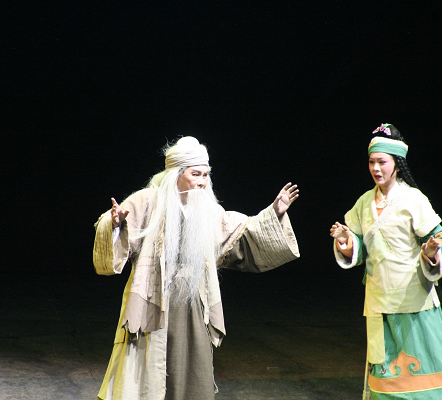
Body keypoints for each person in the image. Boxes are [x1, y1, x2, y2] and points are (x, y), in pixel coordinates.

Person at [93, 136, 300, 400]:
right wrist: (114, 225)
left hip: (193, 305)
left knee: (192, 370)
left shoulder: (208, 211)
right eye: (196, 174)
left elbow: (241, 235)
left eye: (206, 175)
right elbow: (117, 237)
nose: (203, 181)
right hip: (153, 302)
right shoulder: (146, 201)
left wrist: (275, 213)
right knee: (147, 374)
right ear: (177, 174)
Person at [330, 124, 442, 400]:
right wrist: (346, 242)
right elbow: (360, 246)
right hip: (379, 300)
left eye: (382, 162)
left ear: (397, 165)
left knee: (427, 375)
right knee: (385, 379)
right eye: (371, 162)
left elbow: (441, 238)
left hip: (413, 300)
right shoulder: (364, 203)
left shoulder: (413, 199)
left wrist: (431, 252)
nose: (376, 168)